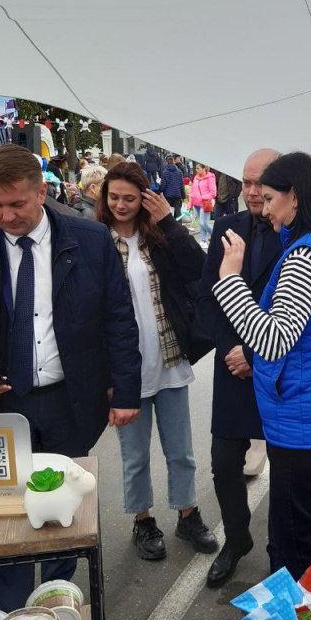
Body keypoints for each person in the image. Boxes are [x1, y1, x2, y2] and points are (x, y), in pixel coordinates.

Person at [0, 145, 141, 610]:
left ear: (42, 192)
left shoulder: (89, 240)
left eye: (17, 205)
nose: (6, 216)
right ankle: (10, 614)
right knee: (4, 518)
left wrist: (126, 390)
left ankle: (56, 604)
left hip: (68, 401)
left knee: (58, 515)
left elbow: (118, 321)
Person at [212, 152, 311, 580]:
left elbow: (274, 340)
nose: (266, 207)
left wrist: (230, 280)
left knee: (297, 537)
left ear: (294, 197)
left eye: (272, 197)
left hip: (301, 413)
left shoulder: (305, 256)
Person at [96, 161, 217, 559]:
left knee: (180, 449)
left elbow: (199, 270)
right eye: (114, 197)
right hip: (125, 368)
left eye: (130, 198)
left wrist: (170, 223)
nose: (121, 204)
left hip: (168, 359)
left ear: (146, 198)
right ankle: (143, 522)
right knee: (135, 456)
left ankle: (188, 515)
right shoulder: (95, 241)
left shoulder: (158, 237)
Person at [197, 148, 282, 586]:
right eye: (246, 182)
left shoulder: (296, 232)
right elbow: (211, 295)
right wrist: (232, 348)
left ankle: (283, 550)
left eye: (260, 183)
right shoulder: (227, 227)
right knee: (223, 461)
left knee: (288, 467)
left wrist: (254, 353)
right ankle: (236, 538)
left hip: (279, 368)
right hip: (232, 365)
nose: (251, 191)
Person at [189, 164, 217, 246]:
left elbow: (213, 193)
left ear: (204, 169)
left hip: (204, 203)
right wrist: (190, 203)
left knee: (203, 222)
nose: (196, 170)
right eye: (196, 168)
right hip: (196, 203)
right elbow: (192, 191)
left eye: (198, 168)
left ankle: (215, 235)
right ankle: (203, 241)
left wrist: (203, 197)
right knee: (200, 223)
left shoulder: (210, 178)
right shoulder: (196, 177)